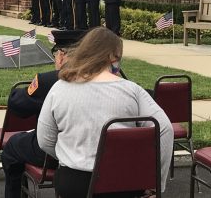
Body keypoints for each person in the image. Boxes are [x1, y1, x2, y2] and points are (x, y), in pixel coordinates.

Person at [37, 27, 174, 198]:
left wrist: (71, 155)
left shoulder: (59, 88)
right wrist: (155, 181)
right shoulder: (132, 90)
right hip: (122, 180)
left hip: (74, 181)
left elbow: (44, 140)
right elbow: (165, 129)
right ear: (112, 56)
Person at [1, 29, 86, 198]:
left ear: (61, 55)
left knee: (11, 147)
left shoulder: (48, 81)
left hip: (53, 152)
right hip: (91, 150)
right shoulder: (105, 79)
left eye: (55, 53)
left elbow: (18, 107)